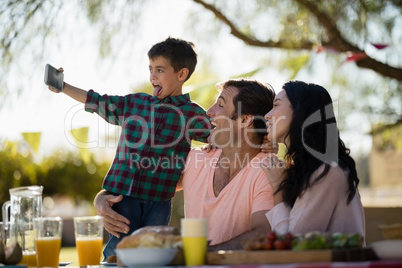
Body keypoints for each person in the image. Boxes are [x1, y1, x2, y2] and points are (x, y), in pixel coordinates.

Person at [48, 37, 210, 258]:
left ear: (181, 74)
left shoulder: (193, 114)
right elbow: (96, 100)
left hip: (160, 202)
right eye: (150, 69)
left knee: (153, 255)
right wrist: (63, 86)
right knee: (119, 252)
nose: (152, 75)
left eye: (160, 70)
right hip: (124, 198)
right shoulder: (135, 103)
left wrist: (263, 139)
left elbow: (223, 139)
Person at [94, 78, 277, 253]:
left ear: (245, 120)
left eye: (220, 105)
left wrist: (200, 253)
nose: (208, 112)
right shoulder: (196, 160)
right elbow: (143, 185)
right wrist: (104, 196)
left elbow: (262, 233)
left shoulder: (268, 171)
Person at [261, 80, 365, 242]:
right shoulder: (310, 168)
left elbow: (291, 245)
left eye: (276, 105)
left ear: (300, 112)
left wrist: (277, 189)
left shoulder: (326, 171)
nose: (267, 115)